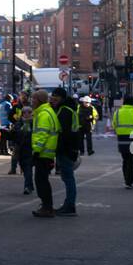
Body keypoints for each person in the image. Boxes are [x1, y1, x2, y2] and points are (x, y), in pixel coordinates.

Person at [52, 88, 81, 217]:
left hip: (66, 150)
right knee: (68, 178)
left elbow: (63, 133)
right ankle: (69, 204)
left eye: (56, 97)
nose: (53, 99)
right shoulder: (69, 109)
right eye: (52, 96)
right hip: (71, 149)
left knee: (68, 178)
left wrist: (60, 149)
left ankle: (69, 205)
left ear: (62, 98)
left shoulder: (64, 111)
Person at [31, 89, 59, 218]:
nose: (32, 101)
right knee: (43, 180)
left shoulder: (43, 114)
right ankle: (47, 206)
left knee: (41, 181)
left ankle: (46, 207)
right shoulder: (46, 112)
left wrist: (36, 150)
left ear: (40, 100)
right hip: (47, 153)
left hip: (43, 153)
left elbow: (42, 134)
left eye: (34, 99)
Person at [15, 105, 35, 195]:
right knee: (23, 167)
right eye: (24, 112)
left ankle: (27, 187)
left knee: (28, 168)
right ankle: (30, 185)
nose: (27, 114)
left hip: (30, 148)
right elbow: (16, 133)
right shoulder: (19, 122)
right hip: (21, 148)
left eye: (29, 112)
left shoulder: (34, 122)